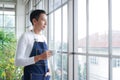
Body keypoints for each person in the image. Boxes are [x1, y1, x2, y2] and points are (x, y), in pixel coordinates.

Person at [15, 9, 52, 80]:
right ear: (34, 21)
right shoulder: (25, 36)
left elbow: (45, 58)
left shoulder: (44, 38)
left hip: (45, 77)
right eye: (43, 20)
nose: (46, 23)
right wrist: (39, 57)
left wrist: (49, 69)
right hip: (31, 77)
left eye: (46, 21)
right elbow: (18, 62)